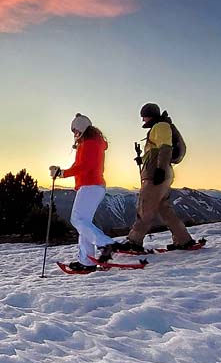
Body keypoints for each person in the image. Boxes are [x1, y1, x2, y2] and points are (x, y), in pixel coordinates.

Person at [100, 102, 198, 261]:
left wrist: (160, 169)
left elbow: (165, 148)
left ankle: (134, 242)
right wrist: (144, 159)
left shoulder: (160, 126)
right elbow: (157, 151)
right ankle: (183, 240)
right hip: (160, 173)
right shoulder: (160, 127)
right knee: (164, 210)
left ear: (149, 115)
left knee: (145, 208)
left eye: (144, 116)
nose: (143, 120)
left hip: (156, 176)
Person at [50, 113, 115, 272]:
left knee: (77, 219)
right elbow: (79, 165)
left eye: (75, 129)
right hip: (91, 186)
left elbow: (85, 166)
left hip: (90, 186)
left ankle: (105, 243)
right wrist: (61, 172)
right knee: (83, 223)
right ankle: (87, 262)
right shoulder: (90, 143)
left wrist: (62, 173)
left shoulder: (90, 143)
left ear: (83, 128)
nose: (74, 133)